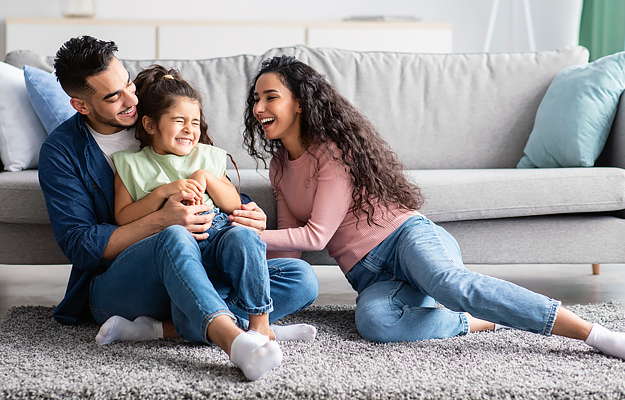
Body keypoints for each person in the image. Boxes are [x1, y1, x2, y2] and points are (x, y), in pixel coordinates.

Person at [239, 54, 625, 360]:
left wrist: (251, 232)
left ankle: (593, 333)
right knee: (375, 322)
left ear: (301, 104)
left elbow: (317, 234)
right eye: (256, 98)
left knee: (450, 284)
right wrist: (250, 253)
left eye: (271, 96)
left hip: (405, 237)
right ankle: (475, 322)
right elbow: (294, 251)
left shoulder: (331, 150)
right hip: (371, 276)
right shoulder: (278, 167)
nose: (259, 107)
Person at [38, 36, 318, 381]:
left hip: (201, 264)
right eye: (113, 97)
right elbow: (82, 246)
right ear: (81, 106)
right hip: (127, 283)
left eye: (127, 83)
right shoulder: (61, 153)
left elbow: (213, 189)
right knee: (175, 236)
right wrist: (161, 219)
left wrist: (246, 212)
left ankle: (168, 327)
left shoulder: (162, 109)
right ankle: (235, 341)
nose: (131, 100)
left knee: (300, 277)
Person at [110, 63, 316, 352]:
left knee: (301, 276)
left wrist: (205, 177)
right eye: (179, 120)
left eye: (195, 122)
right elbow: (123, 217)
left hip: (220, 244)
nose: (189, 129)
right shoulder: (130, 165)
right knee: (193, 304)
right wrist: (162, 194)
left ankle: (258, 326)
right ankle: (234, 327)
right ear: (150, 124)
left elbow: (232, 203)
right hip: (179, 257)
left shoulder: (207, 157)